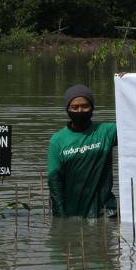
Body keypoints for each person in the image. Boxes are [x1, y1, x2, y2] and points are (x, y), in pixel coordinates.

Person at [47, 84, 117, 218]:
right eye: (74, 107)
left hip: (106, 211)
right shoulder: (58, 140)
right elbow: (54, 180)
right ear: (67, 109)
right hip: (73, 213)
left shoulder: (107, 131)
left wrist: (127, 82)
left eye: (85, 106)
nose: (80, 110)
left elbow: (133, 125)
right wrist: (60, 217)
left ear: (92, 108)